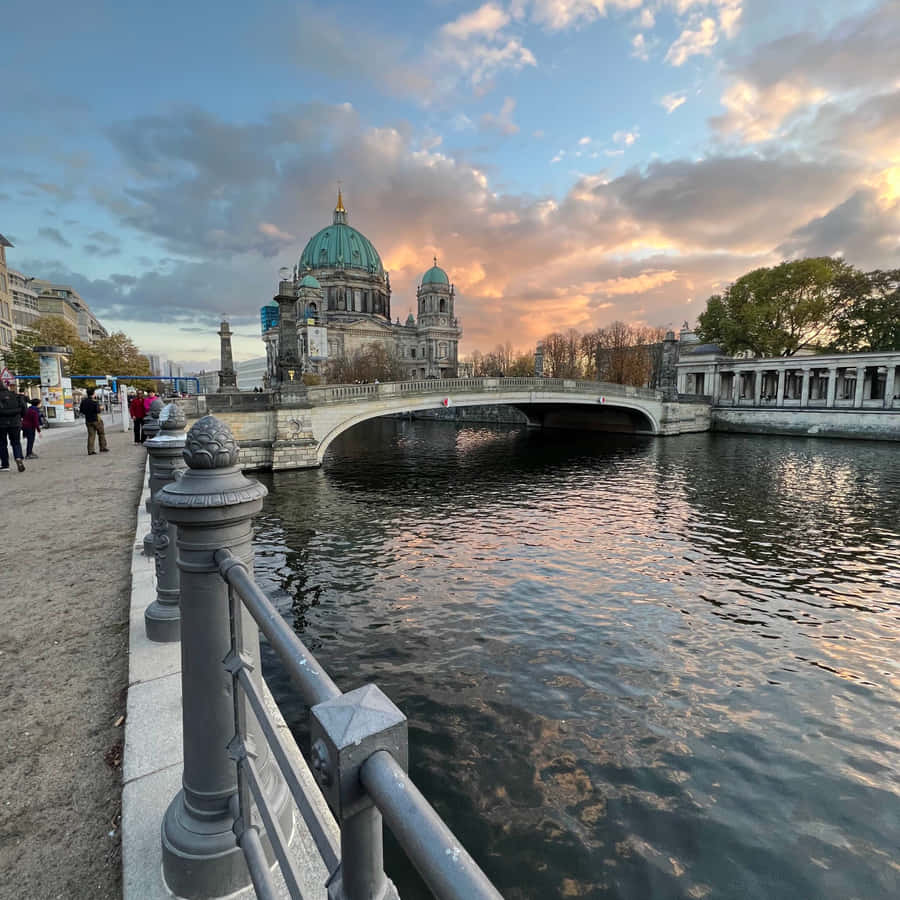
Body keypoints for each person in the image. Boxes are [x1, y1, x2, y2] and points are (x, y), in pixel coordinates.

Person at [0, 381, 27, 472]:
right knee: (16, 442)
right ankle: (18, 457)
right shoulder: (15, 396)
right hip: (15, 423)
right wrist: (20, 417)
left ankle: (5, 465)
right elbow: (24, 409)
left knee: (2, 444)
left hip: (1, 424)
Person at [79, 387, 109, 455]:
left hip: (88, 420)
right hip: (96, 420)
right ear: (93, 394)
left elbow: (81, 411)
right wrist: (101, 408)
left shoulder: (83, 401)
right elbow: (98, 411)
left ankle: (90, 450)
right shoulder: (95, 402)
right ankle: (103, 447)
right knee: (101, 433)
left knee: (91, 435)